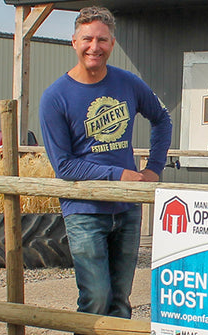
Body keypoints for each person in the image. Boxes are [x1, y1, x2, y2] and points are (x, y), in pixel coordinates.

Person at [39, 6, 172, 319]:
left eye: (102, 39)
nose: (94, 47)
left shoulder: (128, 83)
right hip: (84, 210)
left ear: (112, 43)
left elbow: (162, 119)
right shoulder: (55, 97)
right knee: (96, 298)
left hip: (126, 209)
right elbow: (65, 167)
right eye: (87, 39)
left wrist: (153, 167)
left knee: (121, 301)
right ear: (74, 41)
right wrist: (120, 175)